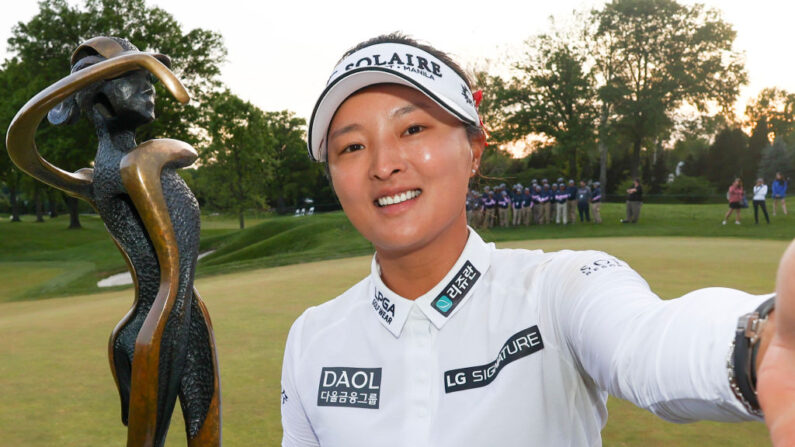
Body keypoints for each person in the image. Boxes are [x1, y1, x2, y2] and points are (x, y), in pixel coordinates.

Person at [282, 33, 795, 446]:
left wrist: (762, 345)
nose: (383, 164)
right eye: (351, 145)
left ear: (475, 148)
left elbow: (643, 342)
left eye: (412, 129)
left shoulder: (559, 288)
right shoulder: (311, 339)